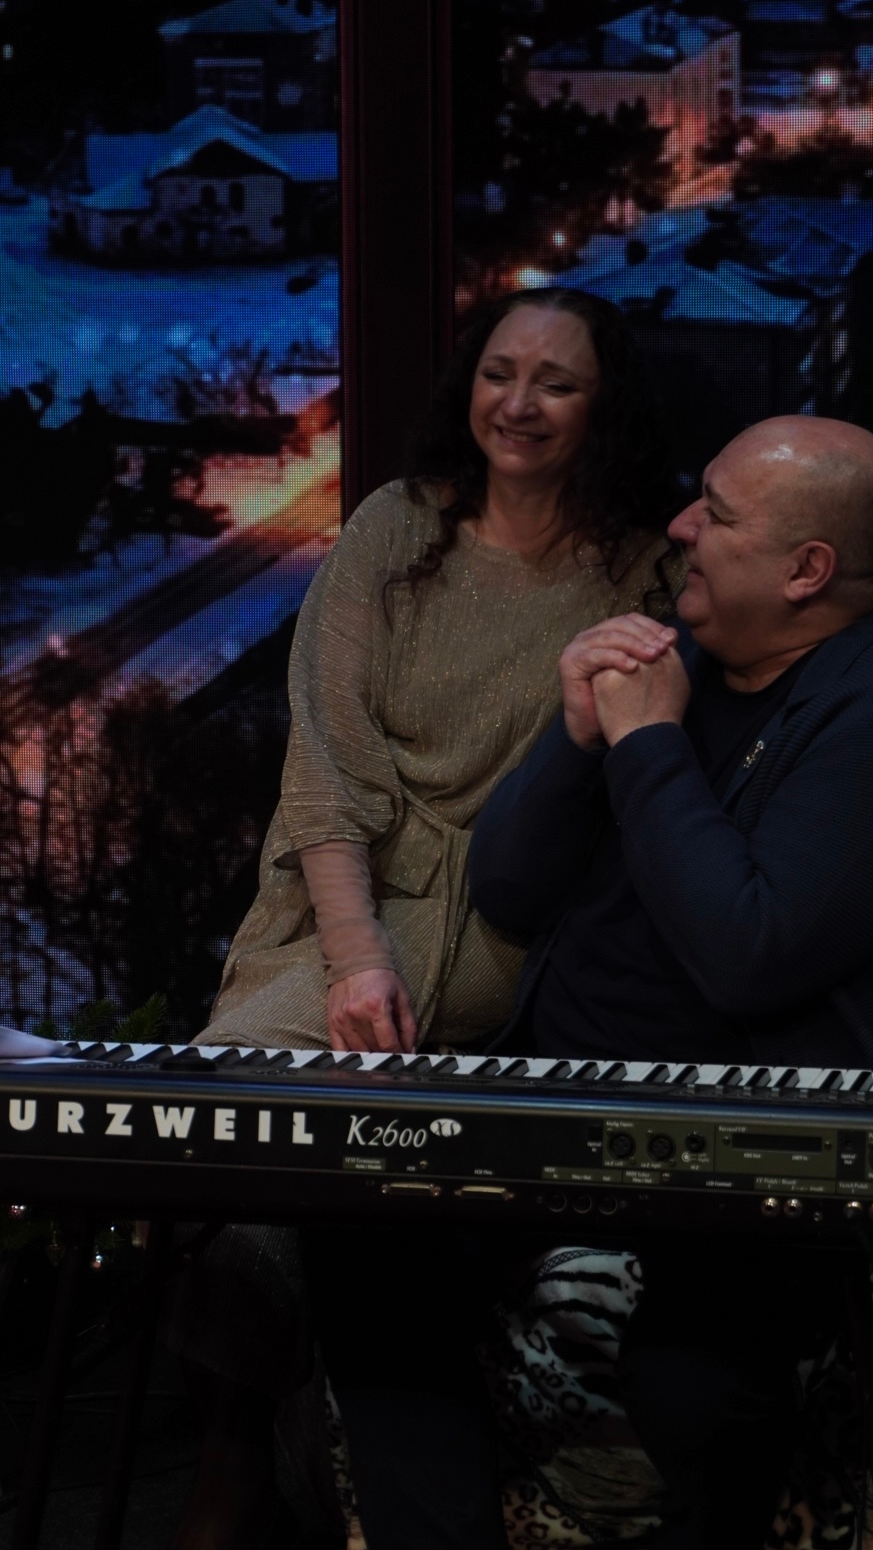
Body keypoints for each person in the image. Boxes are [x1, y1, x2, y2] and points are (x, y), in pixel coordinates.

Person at [309, 415, 873, 1550]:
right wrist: (577, 736)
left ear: (807, 570)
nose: (679, 527)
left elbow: (747, 952)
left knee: (691, 1380)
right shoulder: (681, 669)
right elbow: (508, 888)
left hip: (744, 1158)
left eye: (715, 513)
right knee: (359, 1233)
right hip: (559, 1116)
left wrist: (647, 748)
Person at [170, 288, 679, 1550]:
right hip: (338, 900)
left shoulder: (639, 568)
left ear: (603, 405)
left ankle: (249, 1454)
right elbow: (326, 767)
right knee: (252, 1099)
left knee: (354, 1148)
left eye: (556, 382)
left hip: (508, 920)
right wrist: (355, 959)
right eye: (500, 372)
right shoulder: (395, 527)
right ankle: (241, 1435)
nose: (520, 403)